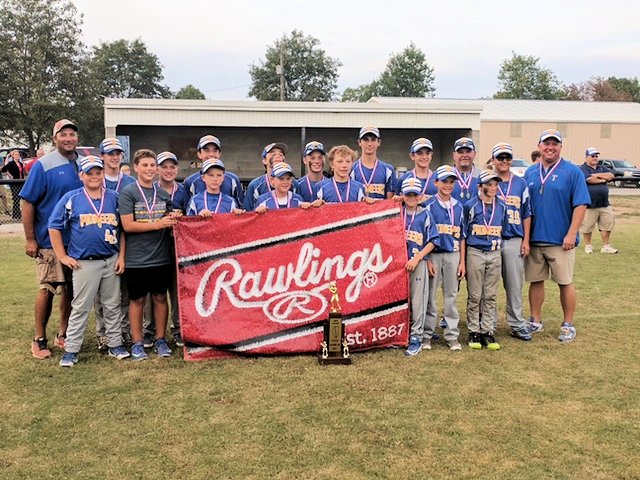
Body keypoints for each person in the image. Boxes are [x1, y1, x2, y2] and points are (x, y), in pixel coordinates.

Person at [48, 156, 129, 366]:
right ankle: (72, 349)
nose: (94, 176)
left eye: (98, 172)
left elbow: (122, 231)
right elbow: (54, 226)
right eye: (89, 173)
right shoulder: (72, 198)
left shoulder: (114, 197)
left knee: (112, 305)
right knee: (81, 307)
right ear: (81, 175)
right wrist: (63, 256)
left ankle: (115, 344)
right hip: (85, 262)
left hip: (110, 259)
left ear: (103, 174)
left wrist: (121, 256)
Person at [19, 119, 83, 359]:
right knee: (47, 288)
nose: (68, 138)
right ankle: (39, 338)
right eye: (63, 134)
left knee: (70, 290)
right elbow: (28, 202)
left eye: (72, 134)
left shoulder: (82, 164)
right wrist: (30, 239)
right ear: (54, 137)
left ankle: (63, 333)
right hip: (49, 240)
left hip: (76, 241)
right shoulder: (43, 165)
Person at [524, 129, 591, 343]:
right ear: (539, 146)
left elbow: (581, 204)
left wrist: (571, 233)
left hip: (561, 241)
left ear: (561, 146)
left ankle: (568, 324)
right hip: (535, 239)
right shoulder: (530, 173)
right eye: (546, 143)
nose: (550, 147)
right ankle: (535, 320)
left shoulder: (572, 171)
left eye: (555, 143)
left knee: (565, 282)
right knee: (535, 281)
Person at [119, 149, 180, 360]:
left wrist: (174, 220)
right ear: (136, 168)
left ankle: (161, 340)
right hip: (137, 258)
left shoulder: (162, 194)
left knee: (161, 298)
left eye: (152, 165)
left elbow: (169, 223)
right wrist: (158, 224)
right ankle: (137, 343)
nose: (149, 169)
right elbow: (127, 225)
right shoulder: (129, 192)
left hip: (160, 256)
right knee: (137, 300)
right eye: (144, 165)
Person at [141, 151, 189, 347]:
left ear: (177, 169)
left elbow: (190, 215)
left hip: (178, 247)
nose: (168, 170)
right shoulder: (150, 190)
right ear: (157, 169)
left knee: (177, 290)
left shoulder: (184, 190)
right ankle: (149, 330)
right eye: (164, 167)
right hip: (154, 246)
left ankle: (178, 328)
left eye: (172, 167)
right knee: (152, 292)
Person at [94, 137, 136, 349]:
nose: (114, 157)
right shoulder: (96, 178)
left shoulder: (129, 181)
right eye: (110, 153)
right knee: (103, 293)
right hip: (103, 241)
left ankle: (124, 329)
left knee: (126, 291)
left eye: (117, 153)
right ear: (102, 156)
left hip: (126, 239)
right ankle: (103, 333)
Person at [491, 143, 533, 341]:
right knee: (488, 285)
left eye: (507, 157)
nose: (504, 161)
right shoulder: (487, 181)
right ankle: (487, 325)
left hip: (513, 238)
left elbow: (527, 212)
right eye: (500, 157)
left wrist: (526, 239)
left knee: (514, 284)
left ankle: (516, 323)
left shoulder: (520, 183)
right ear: (493, 160)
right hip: (490, 239)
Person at [464, 169, 508, 350]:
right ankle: (473, 330)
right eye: (489, 184)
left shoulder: (502, 206)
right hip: (475, 252)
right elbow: (465, 231)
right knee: (475, 294)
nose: (493, 187)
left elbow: (503, 228)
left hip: (495, 253)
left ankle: (488, 331)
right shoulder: (470, 205)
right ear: (480, 187)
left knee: (490, 295)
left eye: (495, 184)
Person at [423, 166, 466, 351]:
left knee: (451, 295)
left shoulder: (459, 206)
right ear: (436, 183)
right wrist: (426, 259)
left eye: (451, 182)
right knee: (430, 297)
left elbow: (462, 236)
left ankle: (452, 335)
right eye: (444, 181)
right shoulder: (428, 205)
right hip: (434, 255)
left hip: (453, 255)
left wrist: (463, 261)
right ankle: (426, 335)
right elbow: (424, 235)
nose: (448, 185)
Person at [401, 178, 439, 356]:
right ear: (402, 195)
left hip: (418, 263)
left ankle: (416, 336)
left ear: (421, 196)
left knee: (418, 301)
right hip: (399, 265)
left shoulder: (425, 214)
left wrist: (418, 258)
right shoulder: (396, 213)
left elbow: (432, 241)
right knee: (401, 301)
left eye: (414, 194)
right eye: (408, 194)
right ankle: (401, 333)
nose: (411, 197)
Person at [183, 135, 244, 206]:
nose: (211, 154)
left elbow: (241, 208)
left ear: (219, 154)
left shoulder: (233, 180)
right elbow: (187, 212)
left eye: (215, 151)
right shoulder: (190, 182)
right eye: (207, 150)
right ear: (199, 154)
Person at [579, 147, 617, 254]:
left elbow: (610, 175)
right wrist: (602, 180)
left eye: (596, 156)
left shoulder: (602, 167)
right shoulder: (583, 168)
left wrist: (598, 175)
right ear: (586, 157)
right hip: (590, 204)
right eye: (592, 156)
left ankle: (606, 246)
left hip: (604, 203)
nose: (595, 158)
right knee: (587, 226)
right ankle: (588, 245)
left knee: (607, 224)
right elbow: (589, 179)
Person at [350, 126, 396, 200]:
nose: (369, 144)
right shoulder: (351, 169)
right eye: (366, 140)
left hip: (381, 211)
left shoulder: (388, 170)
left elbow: (389, 202)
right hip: (359, 211)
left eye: (373, 140)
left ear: (379, 142)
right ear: (359, 142)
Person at [244, 142, 288, 211]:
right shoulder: (255, 185)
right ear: (264, 160)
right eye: (273, 154)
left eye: (281, 154)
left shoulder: (293, 184)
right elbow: (247, 213)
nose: (278, 156)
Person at [395, 137, 438, 205]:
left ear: (431, 155)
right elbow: (398, 204)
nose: (424, 157)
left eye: (427, 153)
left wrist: (429, 198)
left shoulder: (438, 178)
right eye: (419, 153)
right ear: (412, 156)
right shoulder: (404, 179)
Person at [451, 137, 481, 202]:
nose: (464, 155)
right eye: (460, 152)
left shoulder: (482, 176)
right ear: (454, 155)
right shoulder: (446, 176)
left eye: (468, 152)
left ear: (474, 154)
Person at [1, 149, 25, 219]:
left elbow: (22, 172)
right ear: (13, 156)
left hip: (20, 183)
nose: (17, 156)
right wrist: (10, 175)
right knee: (15, 198)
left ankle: (16, 214)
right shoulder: (11, 163)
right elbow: (3, 170)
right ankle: (16, 215)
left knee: (19, 198)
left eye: (18, 154)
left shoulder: (20, 163)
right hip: (14, 183)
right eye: (15, 154)